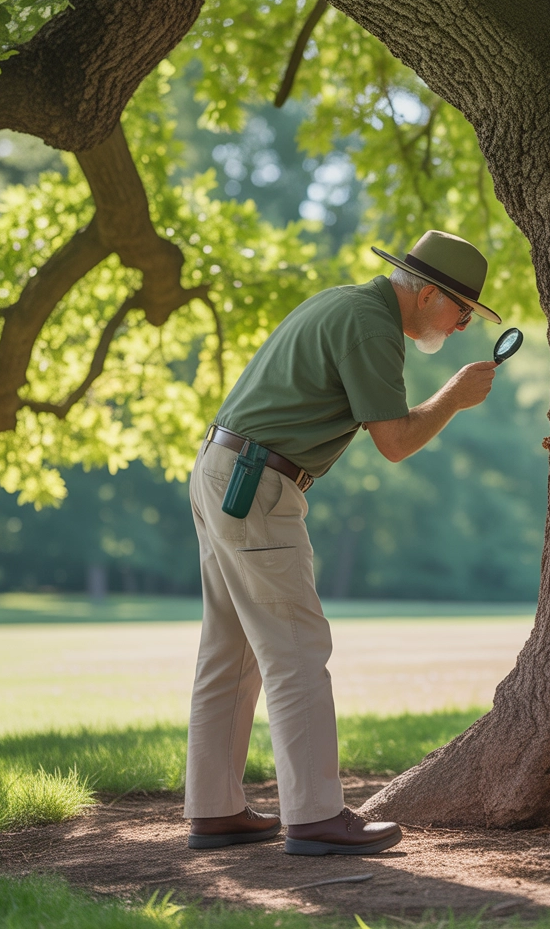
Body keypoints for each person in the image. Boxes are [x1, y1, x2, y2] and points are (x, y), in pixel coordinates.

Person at [183, 229, 502, 855]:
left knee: (232, 651)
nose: (463, 324)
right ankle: (317, 817)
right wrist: (455, 398)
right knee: (296, 649)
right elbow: (396, 441)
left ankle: (215, 810)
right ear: (429, 292)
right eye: (462, 309)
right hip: (257, 485)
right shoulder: (371, 325)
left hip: (225, 472)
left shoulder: (345, 302)